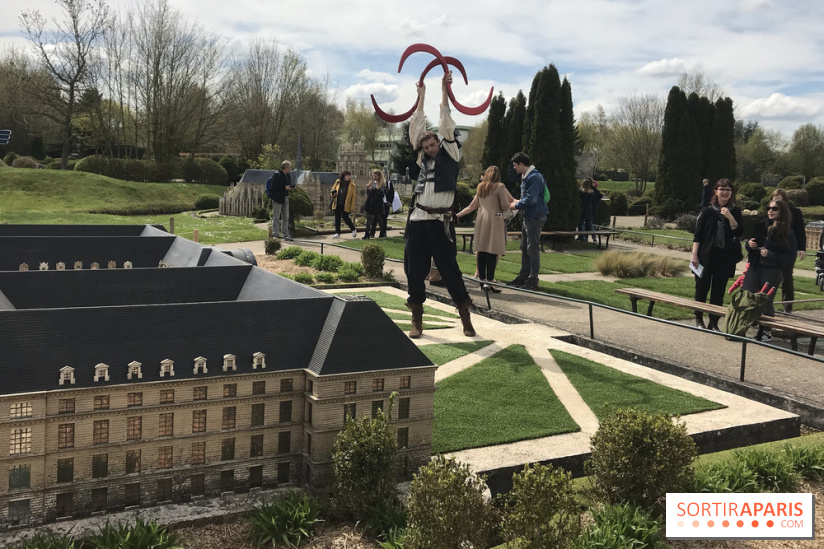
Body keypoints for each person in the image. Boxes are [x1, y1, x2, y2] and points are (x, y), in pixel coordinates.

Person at [404, 71, 475, 339]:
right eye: (427, 145)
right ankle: (416, 320)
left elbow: (445, 120)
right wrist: (420, 95)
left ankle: (465, 316)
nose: (431, 148)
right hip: (418, 220)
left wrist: (444, 89)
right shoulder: (423, 159)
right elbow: (416, 126)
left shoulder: (452, 152)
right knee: (414, 270)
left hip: (440, 223)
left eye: (433, 144)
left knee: (450, 271)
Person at [690, 178, 743, 331]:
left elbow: (739, 232)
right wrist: (694, 255)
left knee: (718, 291)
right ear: (716, 191)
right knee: (702, 288)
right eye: (722, 189)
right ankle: (699, 318)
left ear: (731, 192)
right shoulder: (707, 211)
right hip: (706, 255)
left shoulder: (735, 211)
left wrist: (730, 217)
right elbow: (698, 234)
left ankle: (713, 321)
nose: (725, 192)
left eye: (728, 189)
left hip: (725, 257)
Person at [744, 199, 797, 341]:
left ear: (782, 212)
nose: (770, 211)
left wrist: (770, 255)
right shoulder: (761, 225)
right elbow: (749, 241)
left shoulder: (788, 232)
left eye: (774, 209)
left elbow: (790, 255)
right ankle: (744, 325)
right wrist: (749, 244)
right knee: (747, 294)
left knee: (765, 300)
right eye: (769, 208)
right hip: (755, 265)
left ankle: (766, 331)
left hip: (772, 269)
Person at [456, 165, 515, 293]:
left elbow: (472, 206)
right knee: (492, 251)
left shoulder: (480, 187)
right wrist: (514, 205)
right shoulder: (500, 187)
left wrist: (458, 215)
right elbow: (505, 205)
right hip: (495, 220)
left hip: (481, 219)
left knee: (481, 250)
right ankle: (490, 280)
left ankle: (482, 281)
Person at [506, 152, 548, 291]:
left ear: (522, 164)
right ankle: (524, 276)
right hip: (529, 216)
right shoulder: (527, 176)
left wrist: (516, 205)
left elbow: (532, 199)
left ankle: (533, 279)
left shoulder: (534, 176)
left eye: (515, 165)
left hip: (535, 216)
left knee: (532, 248)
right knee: (524, 247)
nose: (514, 168)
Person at [770, 189, 807, 313]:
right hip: (773, 248)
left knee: (786, 277)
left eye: (779, 200)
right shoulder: (771, 212)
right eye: (774, 200)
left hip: (788, 248)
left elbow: (800, 231)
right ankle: (766, 304)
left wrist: (802, 248)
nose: (776, 203)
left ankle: (787, 306)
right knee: (770, 277)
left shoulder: (795, 213)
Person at [270, 161, 294, 240]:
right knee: (276, 217)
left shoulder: (288, 175)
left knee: (286, 217)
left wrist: (290, 187)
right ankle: (276, 234)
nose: (290, 169)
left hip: (285, 197)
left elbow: (288, 184)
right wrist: (284, 187)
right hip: (277, 198)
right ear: (286, 167)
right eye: (289, 167)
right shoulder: (277, 175)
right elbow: (274, 187)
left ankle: (285, 235)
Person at [330, 171, 357, 239]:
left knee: (346, 218)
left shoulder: (352, 185)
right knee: (337, 218)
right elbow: (332, 190)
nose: (349, 177)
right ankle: (337, 233)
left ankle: (353, 229)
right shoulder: (337, 182)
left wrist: (352, 207)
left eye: (349, 176)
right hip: (337, 203)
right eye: (347, 176)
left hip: (346, 204)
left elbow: (353, 197)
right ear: (343, 176)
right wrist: (333, 195)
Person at [363, 169, 388, 239]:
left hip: (378, 203)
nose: (374, 177)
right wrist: (368, 187)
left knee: (380, 218)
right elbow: (368, 193)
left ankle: (382, 233)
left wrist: (375, 189)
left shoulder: (382, 183)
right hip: (370, 202)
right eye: (373, 176)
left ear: (379, 176)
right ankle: (366, 234)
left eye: (375, 176)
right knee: (369, 219)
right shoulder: (372, 182)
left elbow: (381, 194)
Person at [578, 177, 603, 241]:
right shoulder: (591, 192)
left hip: (583, 208)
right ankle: (594, 237)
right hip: (589, 209)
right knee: (590, 224)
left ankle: (582, 236)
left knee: (581, 223)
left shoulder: (581, 191)